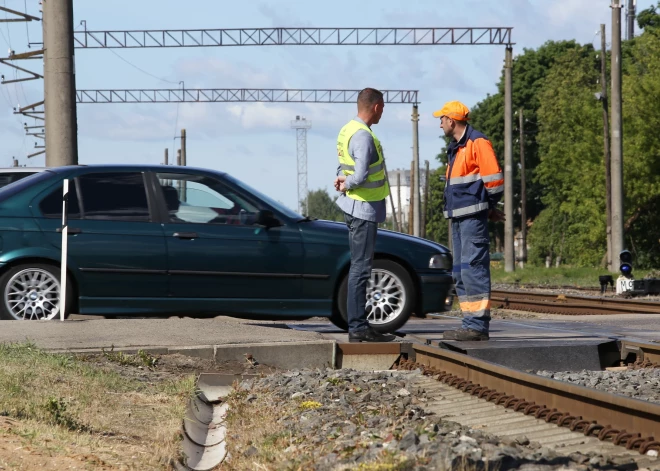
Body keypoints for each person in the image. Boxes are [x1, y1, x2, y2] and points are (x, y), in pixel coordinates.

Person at [433, 101, 505, 341]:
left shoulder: (477, 143)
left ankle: (477, 325)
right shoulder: (456, 147)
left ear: (452, 121)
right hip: (459, 217)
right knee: (461, 272)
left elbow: (494, 180)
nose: (440, 123)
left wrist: (488, 207)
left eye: (441, 119)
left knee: (473, 269)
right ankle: (470, 323)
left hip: (472, 217)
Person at [334, 88, 396, 343]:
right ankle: (358, 327)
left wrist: (341, 180)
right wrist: (347, 183)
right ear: (377, 107)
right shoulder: (364, 136)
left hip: (355, 207)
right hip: (363, 209)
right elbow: (358, 175)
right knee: (361, 268)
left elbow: (343, 164)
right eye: (383, 108)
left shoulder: (347, 129)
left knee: (359, 267)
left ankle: (359, 324)